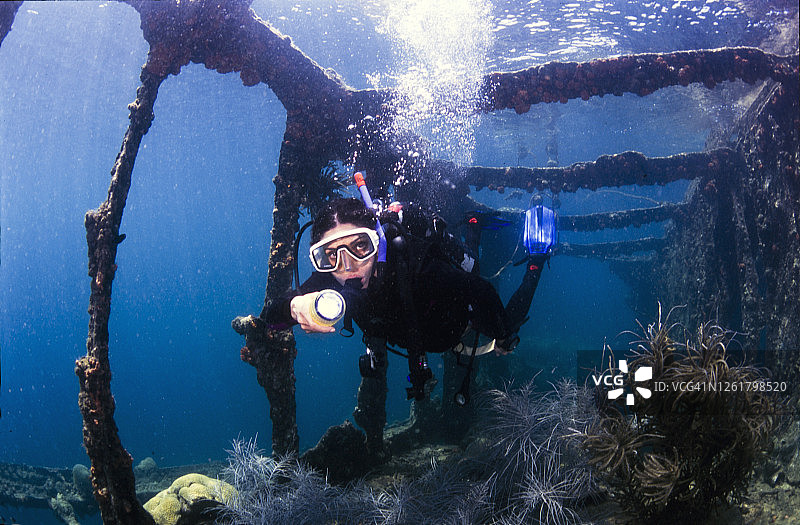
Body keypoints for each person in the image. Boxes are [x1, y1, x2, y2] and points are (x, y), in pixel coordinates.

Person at [264, 193, 554, 457]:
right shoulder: (332, 278)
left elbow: (483, 292)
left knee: (502, 311)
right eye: (332, 254)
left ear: (377, 242)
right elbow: (270, 316)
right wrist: (296, 306)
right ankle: (473, 225)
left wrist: (503, 337)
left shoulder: (420, 268)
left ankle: (535, 260)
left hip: (460, 322)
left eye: (360, 246)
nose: (348, 265)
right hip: (422, 337)